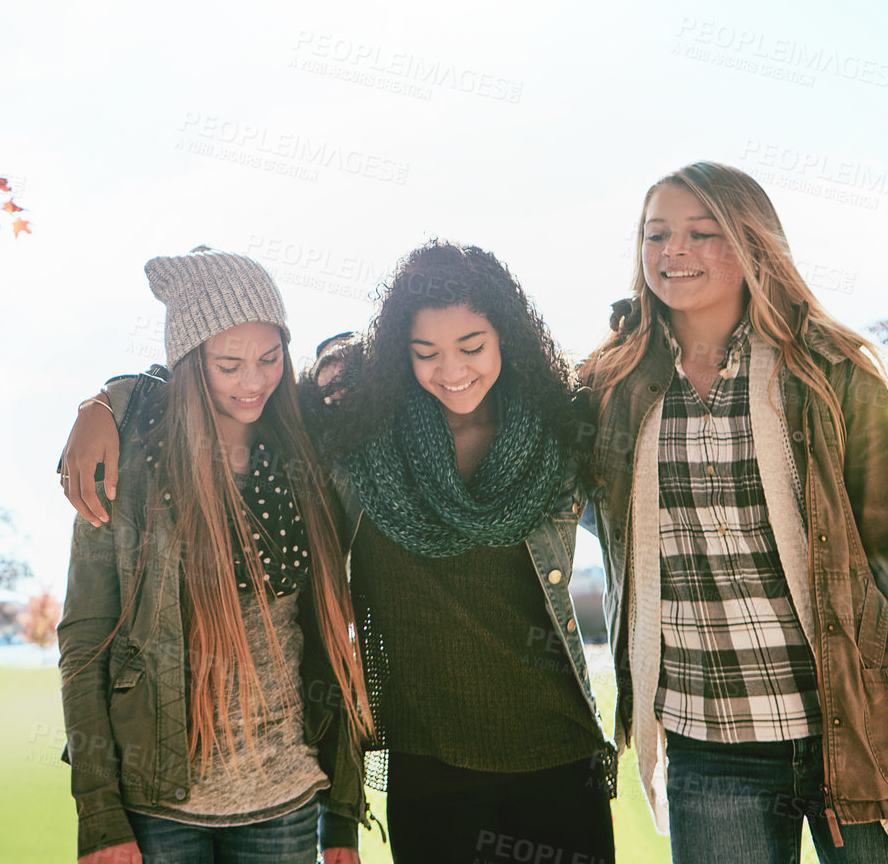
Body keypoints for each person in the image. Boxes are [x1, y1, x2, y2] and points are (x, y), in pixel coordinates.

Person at [61, 241, 617, 864]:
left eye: (472, 345)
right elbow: (87, 638)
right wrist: (106, 400)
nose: (451, 368)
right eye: (425, 352)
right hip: (417, 766)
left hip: (553, 754)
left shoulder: (556, 436)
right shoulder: (360, 446)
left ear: (506, 337)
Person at [579, 160, 888, 864]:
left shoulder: (830, 373)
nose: (672, 251)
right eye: (656, 234)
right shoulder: (610, 387)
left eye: (700, 233)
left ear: (751, 245)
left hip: (853, 735)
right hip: (707, 749)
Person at [56, 246, 373, 864]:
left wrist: (342, 822)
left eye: (270, 357)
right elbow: (85, 637)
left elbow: (336, 644)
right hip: (156, 808)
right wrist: (99, 814)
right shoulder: (126, 466)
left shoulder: (308, 457)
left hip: (287, 802)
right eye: (229, 364)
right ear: (189, 363)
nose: (254, 381)